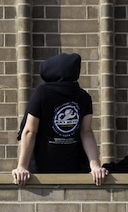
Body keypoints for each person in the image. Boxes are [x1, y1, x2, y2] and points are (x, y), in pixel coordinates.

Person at [12, 52, 111, 187]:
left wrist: (95, 166)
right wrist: (22, 167)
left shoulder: (42, 93)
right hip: (49, 170)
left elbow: (30, 131)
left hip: (55, 169)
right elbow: (86, 132)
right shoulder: (82, 96)